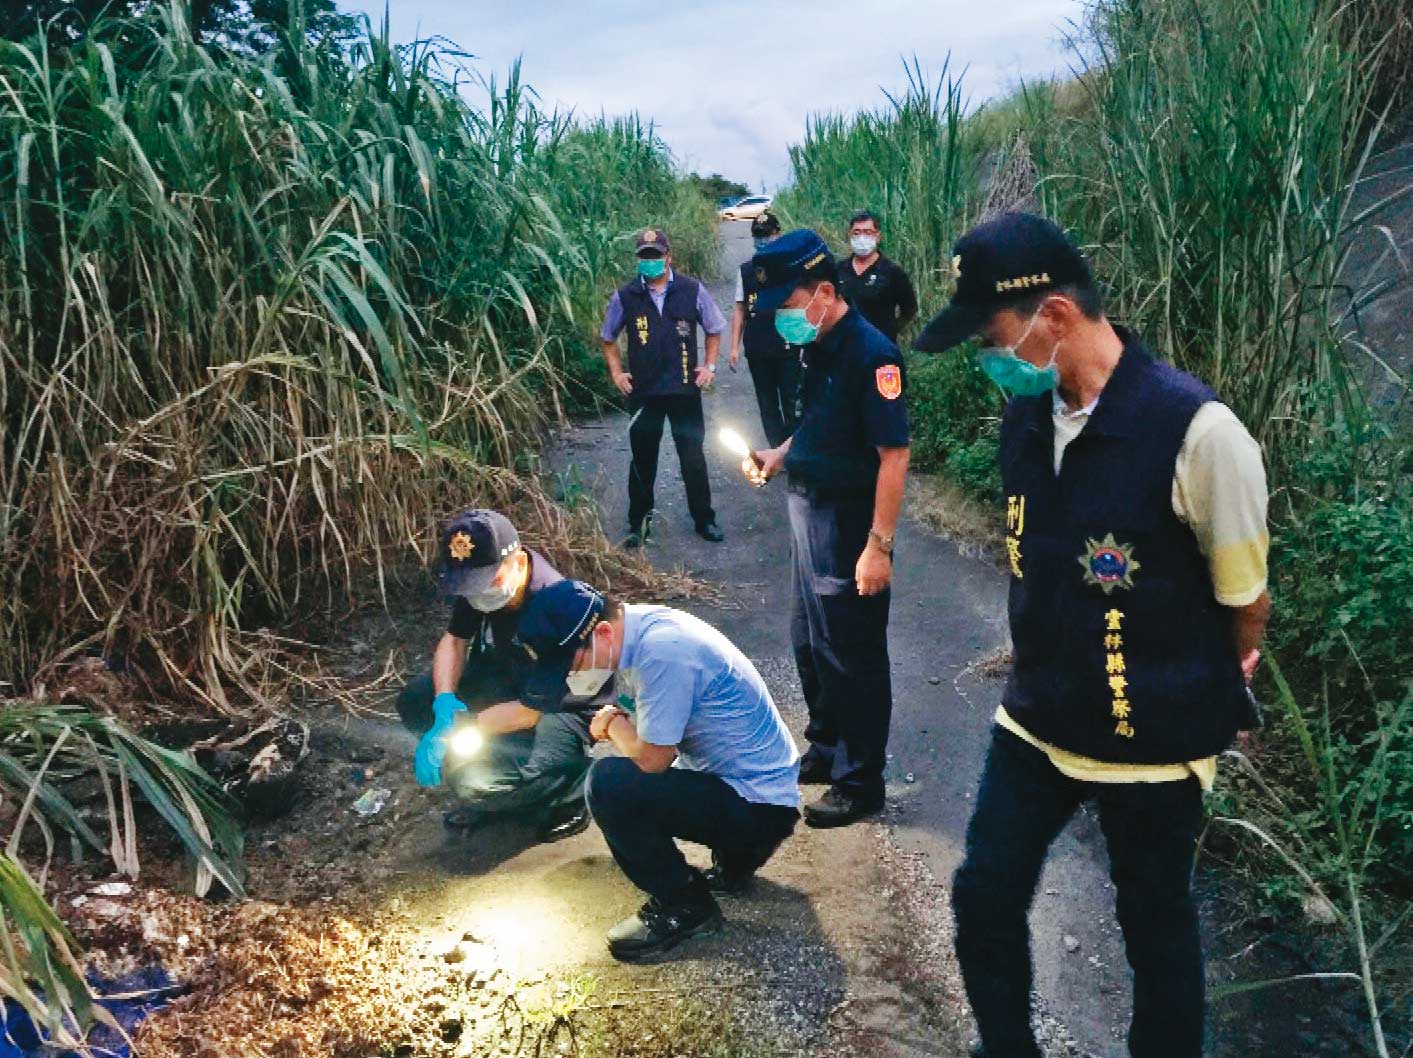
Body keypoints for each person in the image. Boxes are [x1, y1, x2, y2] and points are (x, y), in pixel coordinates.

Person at [912, 212, 1271, 1058]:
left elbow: (1243, 599)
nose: (987, 360)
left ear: (1056, 318)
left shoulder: (1197, 434)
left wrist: (1215, 670)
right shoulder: (1026, 417)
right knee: (983, 897)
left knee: (1154, 932)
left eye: (994, 338)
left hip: (1152, 739)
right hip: (1036, 718)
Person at [518, 580, 801, 963]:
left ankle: (685, 907)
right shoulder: (636, 629)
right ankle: (738, 856)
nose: (571, 677)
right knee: (632, 780)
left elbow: (653, 760)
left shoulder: (662, 653)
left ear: (601, 633)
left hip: (758, 804)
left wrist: (613, 724)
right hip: (756, 788)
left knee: (608, 785)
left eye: (573, 665)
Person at [747, 229, 911, 828]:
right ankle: (827, 745)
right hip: (805, 509)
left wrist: (878, 547)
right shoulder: (816, 345)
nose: (781, 322)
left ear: (821, 293)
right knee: (809, 641)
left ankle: (861, 780)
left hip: (847, 524)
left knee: (853, 652)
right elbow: (817, 425)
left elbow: (893, 454)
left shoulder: (873, 356)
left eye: (787, 308)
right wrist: (779, 455)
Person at [396, 510, 593, 843]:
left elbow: (531, 711)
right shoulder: (484, 580)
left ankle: (572, 793)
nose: (478, 594)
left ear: (517, 560)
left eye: (487, 582)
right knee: (417, 702)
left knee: (477, 784)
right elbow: (455, 640)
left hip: (559, 705)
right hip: (510, 674)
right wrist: (444, 701)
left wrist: (461, 731)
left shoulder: (558, 604)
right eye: (470, 586)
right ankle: (500, 772)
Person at [600, 228, 727, 547]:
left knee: (692, 457)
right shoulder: (626, 296)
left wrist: (709, 366)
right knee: (643, 458)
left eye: (656, 255)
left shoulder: (691, 290)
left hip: (684, 389)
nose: (650, 261)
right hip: (644, 393)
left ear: (668, 257)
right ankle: (638, 524)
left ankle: (704, 519)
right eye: (644, 256)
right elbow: (608, 339)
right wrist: (618, 373)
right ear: (638, 259)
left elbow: (714, 329)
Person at [729, 211, 800, 447]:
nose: (762, 240)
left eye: (767, 235)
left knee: (792, 400)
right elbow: (740, 309)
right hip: (758, 347)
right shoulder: (746, 270)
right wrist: (734, 347)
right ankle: (776, 449)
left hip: (788, 346)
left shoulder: (793, 267)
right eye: (758, 236)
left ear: (778, 235)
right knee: (767, 402)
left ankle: (794, 449)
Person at [834, 210, 918, 344]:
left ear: (878, 236)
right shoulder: (837, 270)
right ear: (849, 235)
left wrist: (891, 331)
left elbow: (909, 308)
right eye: (857, 232)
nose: (861, 238)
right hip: (843, 347)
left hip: (880, 347)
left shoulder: (892, 272)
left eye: (867, 232)